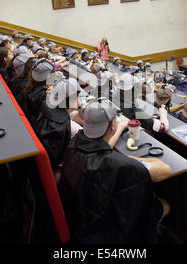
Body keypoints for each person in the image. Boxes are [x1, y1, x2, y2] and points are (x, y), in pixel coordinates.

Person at [58, 99, 172, 244]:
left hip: (78, 220)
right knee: (164, 205)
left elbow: (101, 147)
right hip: (108, 233)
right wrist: (130, 158)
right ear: (113, 125)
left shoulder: (72, 144)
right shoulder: (121, 166)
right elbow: (165, 170)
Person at [32, 78, 82, 168]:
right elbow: (57, 159)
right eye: (77, 97)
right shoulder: (63, 126)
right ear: (69, 100)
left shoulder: (45, 104)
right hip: (50, 168)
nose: (79, 101)